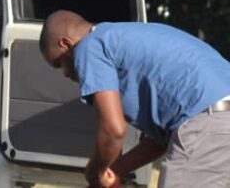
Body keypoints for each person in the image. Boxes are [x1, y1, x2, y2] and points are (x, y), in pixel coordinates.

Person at [39, 10, 230, 188]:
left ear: (66, 44)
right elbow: (158, 142)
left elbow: (113, 130)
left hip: (207, 126)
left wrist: (93, 173)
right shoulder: (123, 37)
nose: (64, 73)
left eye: (59, 64)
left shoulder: (90, 45)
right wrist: (112, 172)